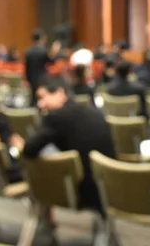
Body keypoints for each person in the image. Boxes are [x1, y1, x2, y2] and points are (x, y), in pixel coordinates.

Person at [23, 76, 116, 214]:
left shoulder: (56, 117)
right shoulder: (93, 111)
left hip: (80, 194)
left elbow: (28, 150)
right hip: (111, 185)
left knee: (39, 161)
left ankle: (46, 223)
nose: (40, 104)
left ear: (60, 93)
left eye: (42, 97)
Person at [25, 29, 55, 106]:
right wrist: (54, 51)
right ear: (42, 38)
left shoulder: (28, 51)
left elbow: (26, 67)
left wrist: (27, 78)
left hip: (31, 78)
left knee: (33, 98)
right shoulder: (44, 50)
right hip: (42, 78)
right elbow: (51, 62)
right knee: (42, 99)